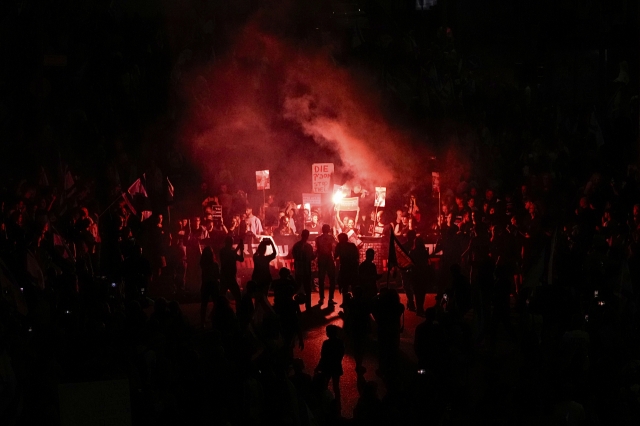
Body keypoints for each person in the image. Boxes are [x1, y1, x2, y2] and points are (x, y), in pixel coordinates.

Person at [314, 325, 345, 413]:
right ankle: (338, 405)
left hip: (327, 367)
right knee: (336, 387)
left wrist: (318, 367)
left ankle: (324, 402)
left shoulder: (326, 343)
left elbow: (323, 357)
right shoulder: (340, 342)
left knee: (324, 385)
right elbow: (341, 354)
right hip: (336, 367)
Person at [292, 229, 316, 311]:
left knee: (297, 287)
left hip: (299, 269)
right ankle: (308, 307)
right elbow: (312, 257)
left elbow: (294, 256)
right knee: (307, 288)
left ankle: (290, 303)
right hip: (306, 269)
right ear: (307, 236)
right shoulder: (308, 246)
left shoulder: (296, 245)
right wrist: (316, 253)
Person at [410, 237, 432, 316]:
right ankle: (420, 307)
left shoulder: (412, 252)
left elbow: (410, 263)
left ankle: (418, 308)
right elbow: (427, 262)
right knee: (422, 292)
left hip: (415, 273)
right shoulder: (424, 252)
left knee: (416, 291)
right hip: (423, 273)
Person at [315, 224, 337, 306]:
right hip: (329, 258)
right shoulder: (331, 238)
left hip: (321, 259)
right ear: (328, 229)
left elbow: (318, 249)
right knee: (332, 279)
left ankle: (321, 298)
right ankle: (330, 299)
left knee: (321, 279)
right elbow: (335, 247)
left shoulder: (318, 238)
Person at [219, 235, 243, 306]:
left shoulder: (232, 251)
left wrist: (241, 249)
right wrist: (238, 247)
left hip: (231, 277)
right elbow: (229, 255)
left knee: (238, 296)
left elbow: (241, 259)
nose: (231, 243)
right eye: (230, 242)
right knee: (221, 297)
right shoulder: (223, 251)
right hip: (225, 277)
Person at [199, 246, 220, 328]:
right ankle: (215, 320)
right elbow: (218, 275)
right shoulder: (215, 264)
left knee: (204, 304)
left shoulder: (203, 264)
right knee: (216, 303)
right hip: (213, 285)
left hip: (205, 285)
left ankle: (202, 322)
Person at [334, 233, 359, 300]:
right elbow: (357, 256)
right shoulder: (352, 245)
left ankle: (345, 301)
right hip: (353, 268)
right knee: (354, 285)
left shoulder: (339, 245)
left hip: (345, 268)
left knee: (345, 286)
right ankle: (355, 301)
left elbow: (335, 255)